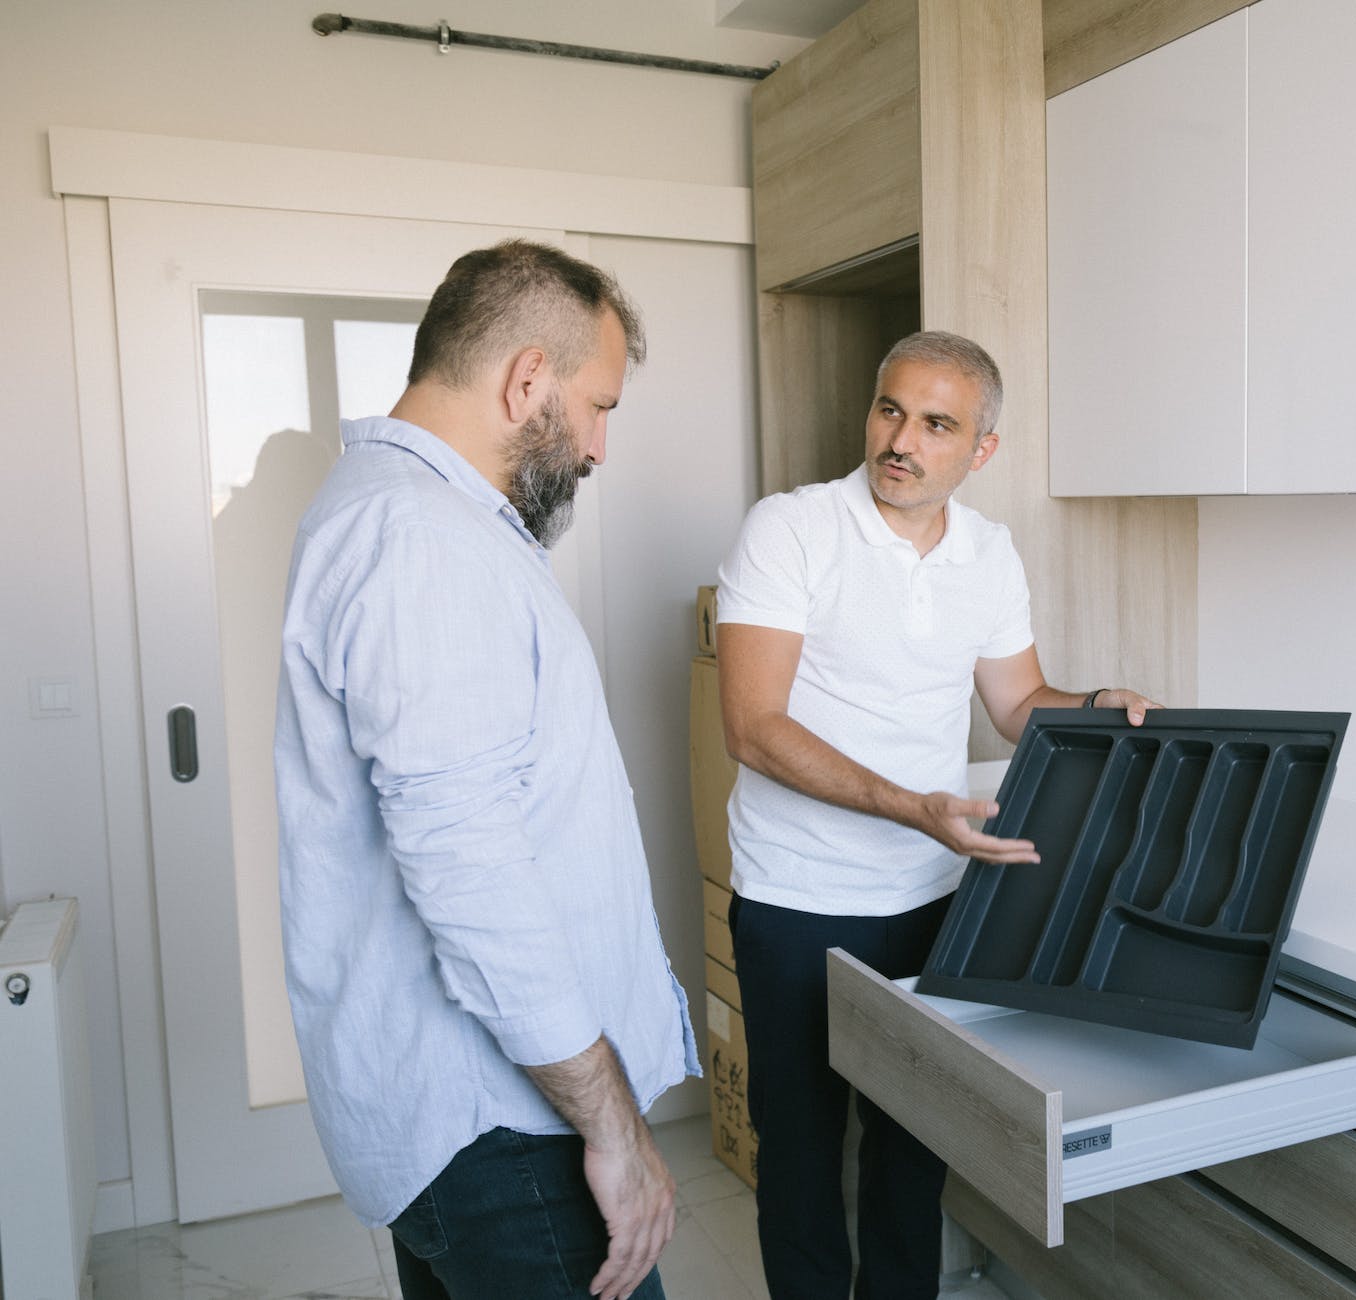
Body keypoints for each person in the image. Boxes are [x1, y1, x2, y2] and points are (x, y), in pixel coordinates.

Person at [274, 240, 698, 1300]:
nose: (599, 446)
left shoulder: (406, 515)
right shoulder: (420, 539)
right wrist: (611, 1124)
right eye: (597, 405)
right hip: (511, 1131)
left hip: (468, 1119)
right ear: (525, 380)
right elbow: (467, 867)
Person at [714, 330, 1159, 1299]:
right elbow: (752, 727)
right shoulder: (790, 531)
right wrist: (913, 806)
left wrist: (1094, 706)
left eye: (935, 423)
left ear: (980, 450)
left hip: (933, 894)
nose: (899, 439)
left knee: (913, 1147)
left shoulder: (988, 554)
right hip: (797, 897)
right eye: (889, 410)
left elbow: (1015, 701)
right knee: (798, 1156)